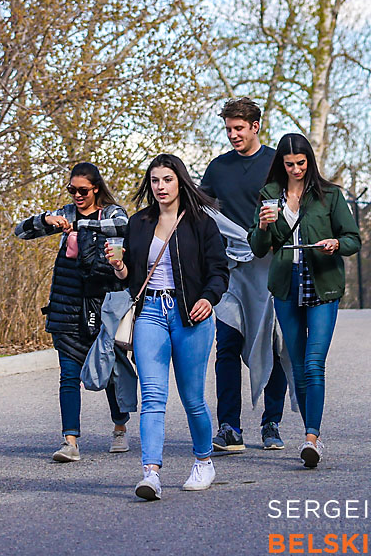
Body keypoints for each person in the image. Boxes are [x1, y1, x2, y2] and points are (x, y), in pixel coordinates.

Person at [107, 154, 228, 500]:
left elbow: (219, 270)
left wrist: (209, 297)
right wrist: (118, 267)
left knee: (193, 399)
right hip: (151, 314)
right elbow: (130, 277)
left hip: (192, 315)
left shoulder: (201, 223)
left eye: (167, 180)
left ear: (180, 182)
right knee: (153, 397)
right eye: (155, 180)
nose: (161, 187)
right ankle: (151, 473)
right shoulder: (139, 223)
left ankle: (204, 462)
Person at [248, 133, 361, 468]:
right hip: (286, 283)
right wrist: (265, 227)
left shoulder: (328, 194)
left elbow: (352, 238)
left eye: (301, 163)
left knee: (314, 362)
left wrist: (335, 244)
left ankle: (313, 437)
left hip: (322, 281)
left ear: (309, 161)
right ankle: (309, 432)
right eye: (289, 164)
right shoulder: (269, 195)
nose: (296, 169)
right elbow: (257, 247)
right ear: (281, 164)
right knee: (296, 364)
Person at [14, 162, 130, 462]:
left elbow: (123, 229)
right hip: (66, 305)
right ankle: (70, 441)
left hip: (104, 305)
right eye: (72, 190)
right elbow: (20, 232)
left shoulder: (112, 213)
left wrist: (81, 226)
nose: (77, 196)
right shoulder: (65, 212)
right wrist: (45, 219)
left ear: (96, 189)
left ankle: (119, 428)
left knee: (111, 371)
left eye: (83, 191)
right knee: (68, 375)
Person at [201, 97, 289, 452]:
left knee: (273, 343)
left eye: (239, 128)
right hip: (232, 272)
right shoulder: (217, 169)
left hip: (270, 267)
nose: (233, 135)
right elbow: (201, 213)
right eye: (228, 129)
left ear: (256, 127)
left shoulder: (275, 164)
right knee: (227, 346)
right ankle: (229, 427)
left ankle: (272, 424)